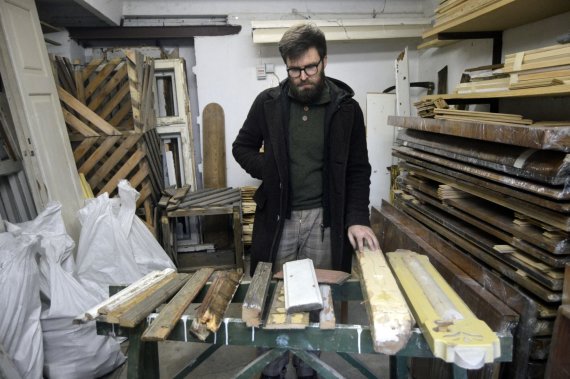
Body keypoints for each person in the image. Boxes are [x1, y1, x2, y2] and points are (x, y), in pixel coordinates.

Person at [232, 23, 379, 378]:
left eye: (310, 67)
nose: (303, 76)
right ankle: (273, 369)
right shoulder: (268, 104)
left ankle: (311, 369)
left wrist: (357, 217)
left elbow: (359, 169)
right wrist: (270, 168)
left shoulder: (347, 110)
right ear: (286, 67)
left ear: (324, 60)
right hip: (278, 220)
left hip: (325, 221)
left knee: (317, 300)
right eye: (295, 70)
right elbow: (242, 147)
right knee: (271, 301)